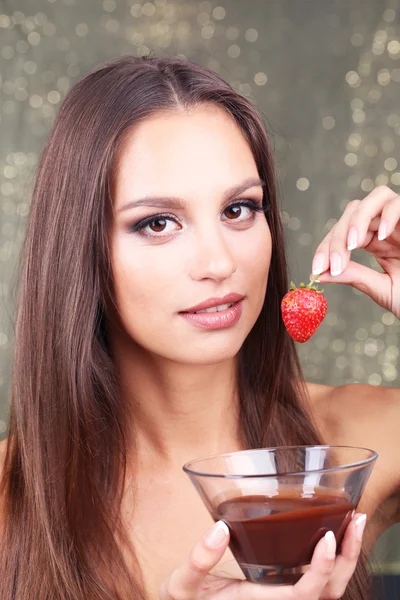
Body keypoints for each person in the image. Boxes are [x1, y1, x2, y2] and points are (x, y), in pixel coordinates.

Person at [0, 54, 399, 600]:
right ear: (79, 251)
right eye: (157, 223)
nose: (217, 262)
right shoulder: (9, 498)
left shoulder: (357, 442)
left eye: (238, 209)